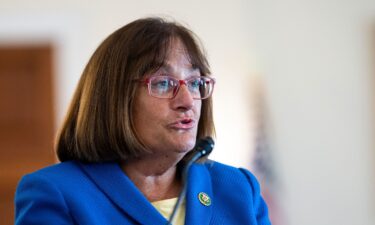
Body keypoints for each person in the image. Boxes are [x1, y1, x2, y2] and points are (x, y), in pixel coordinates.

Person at [14, 17, 271, 225]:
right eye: (163, 83)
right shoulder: (57, 193)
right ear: (114, 98)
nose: (187, 100)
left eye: (194, 83)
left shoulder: (238, 188)